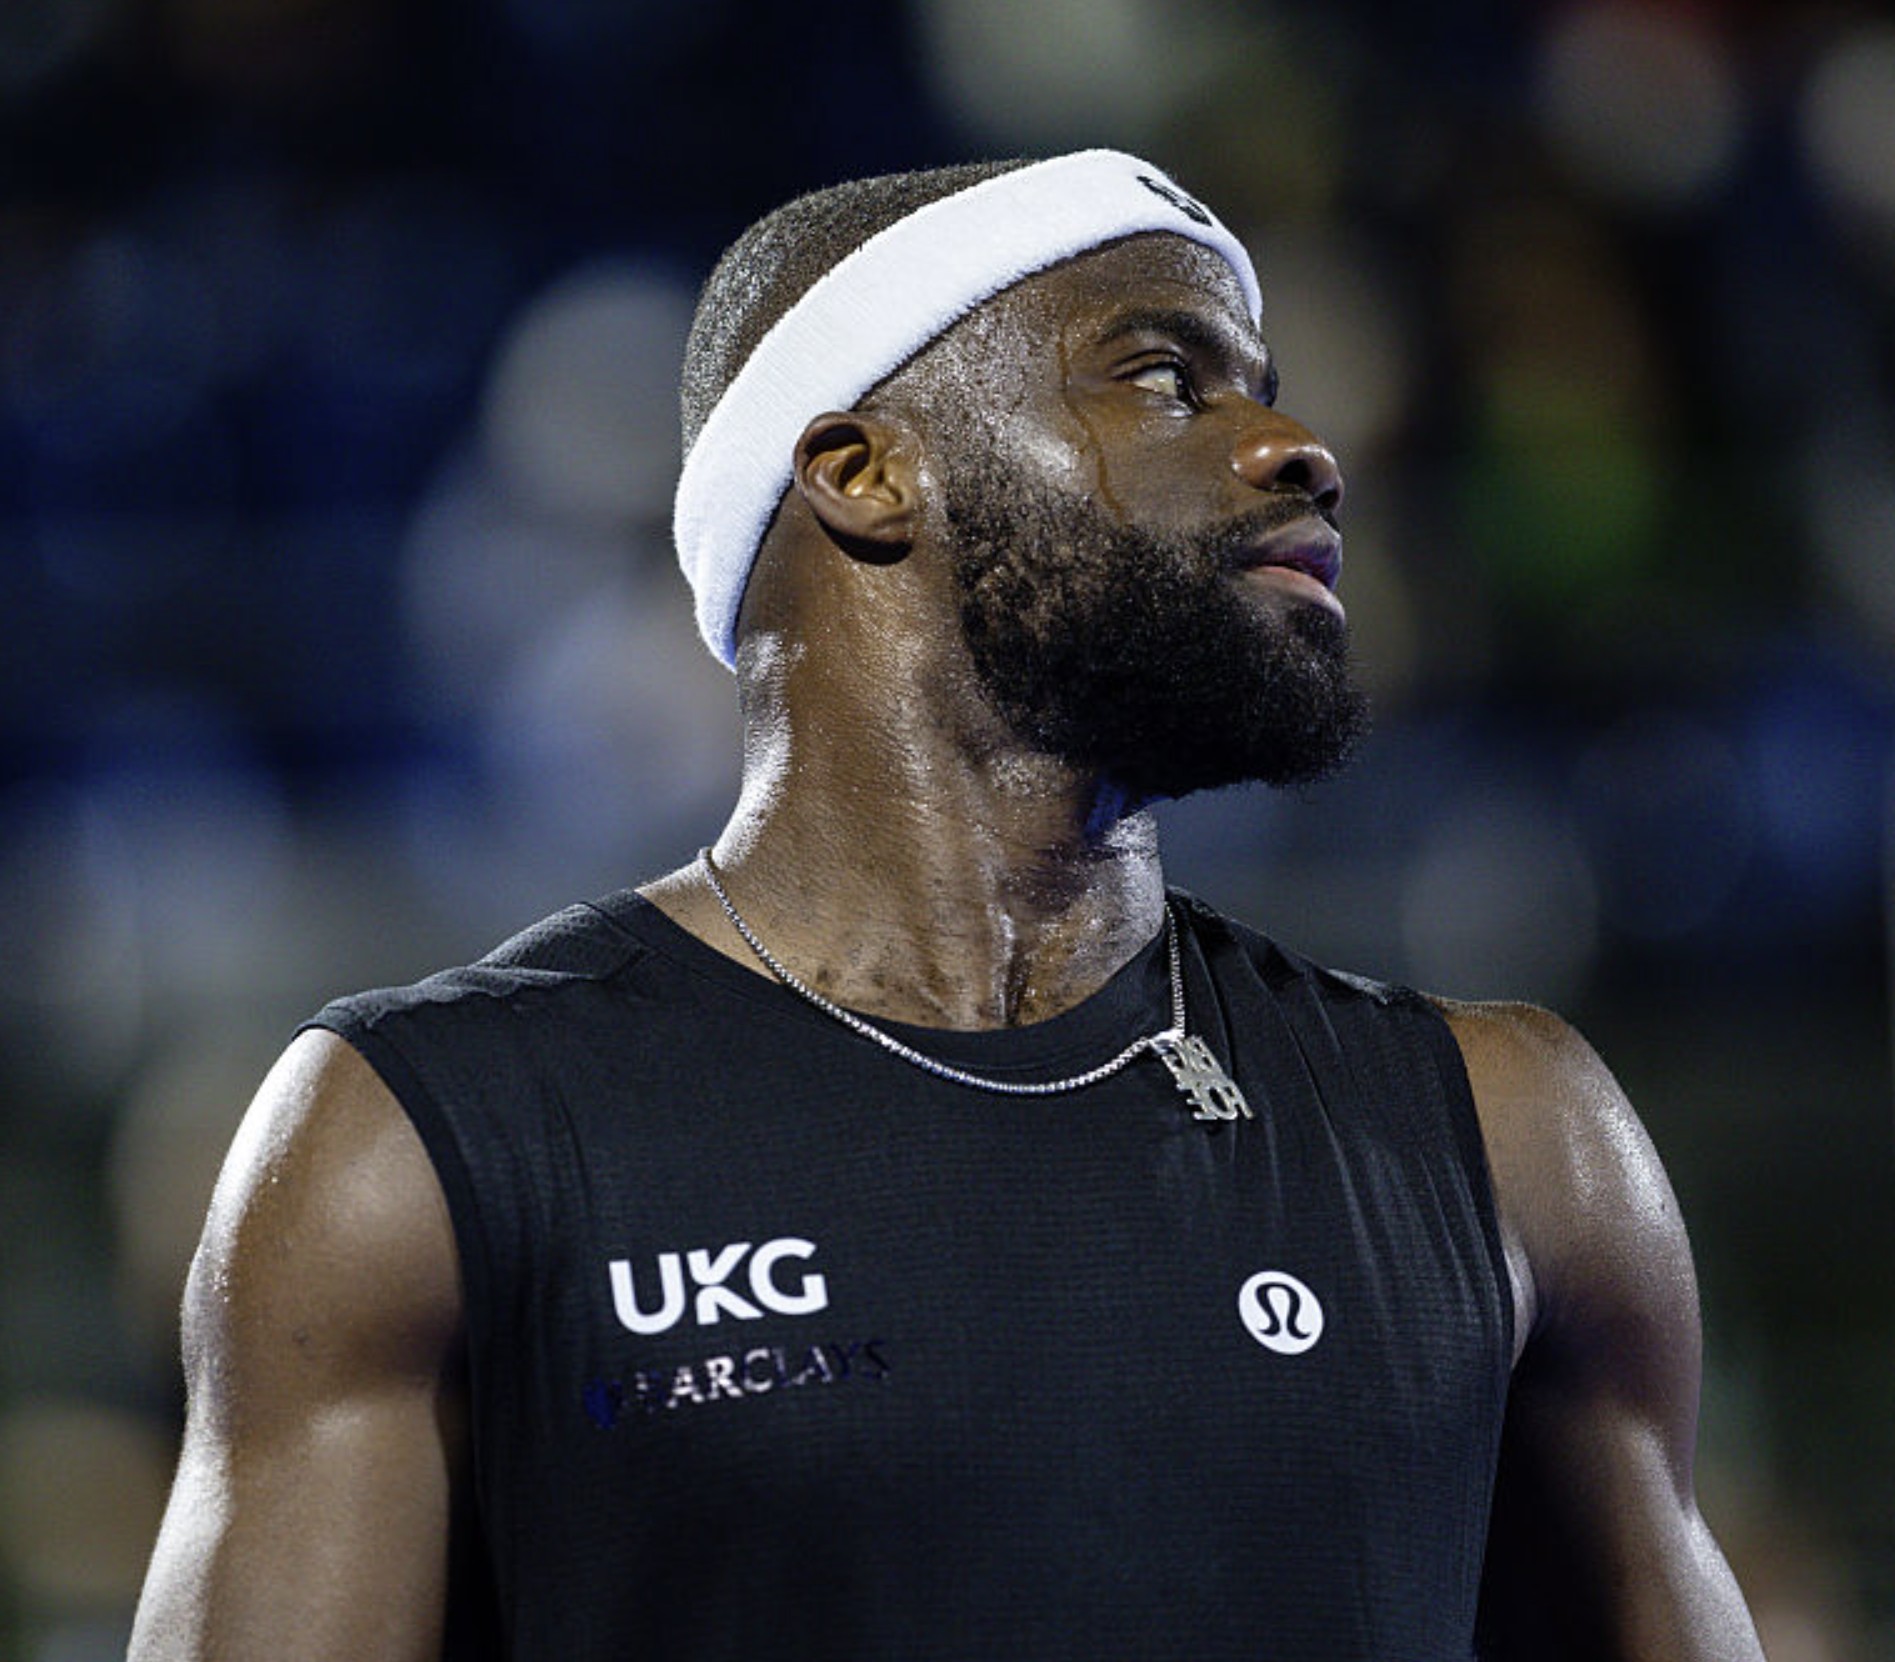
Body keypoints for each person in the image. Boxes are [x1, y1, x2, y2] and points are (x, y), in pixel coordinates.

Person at [129, 151, 1766, 1660]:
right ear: (863, 470)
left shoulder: (1510, 1135)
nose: (1294, 449)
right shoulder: (421, 1146)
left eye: (1264, 390)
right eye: (1164, 377)